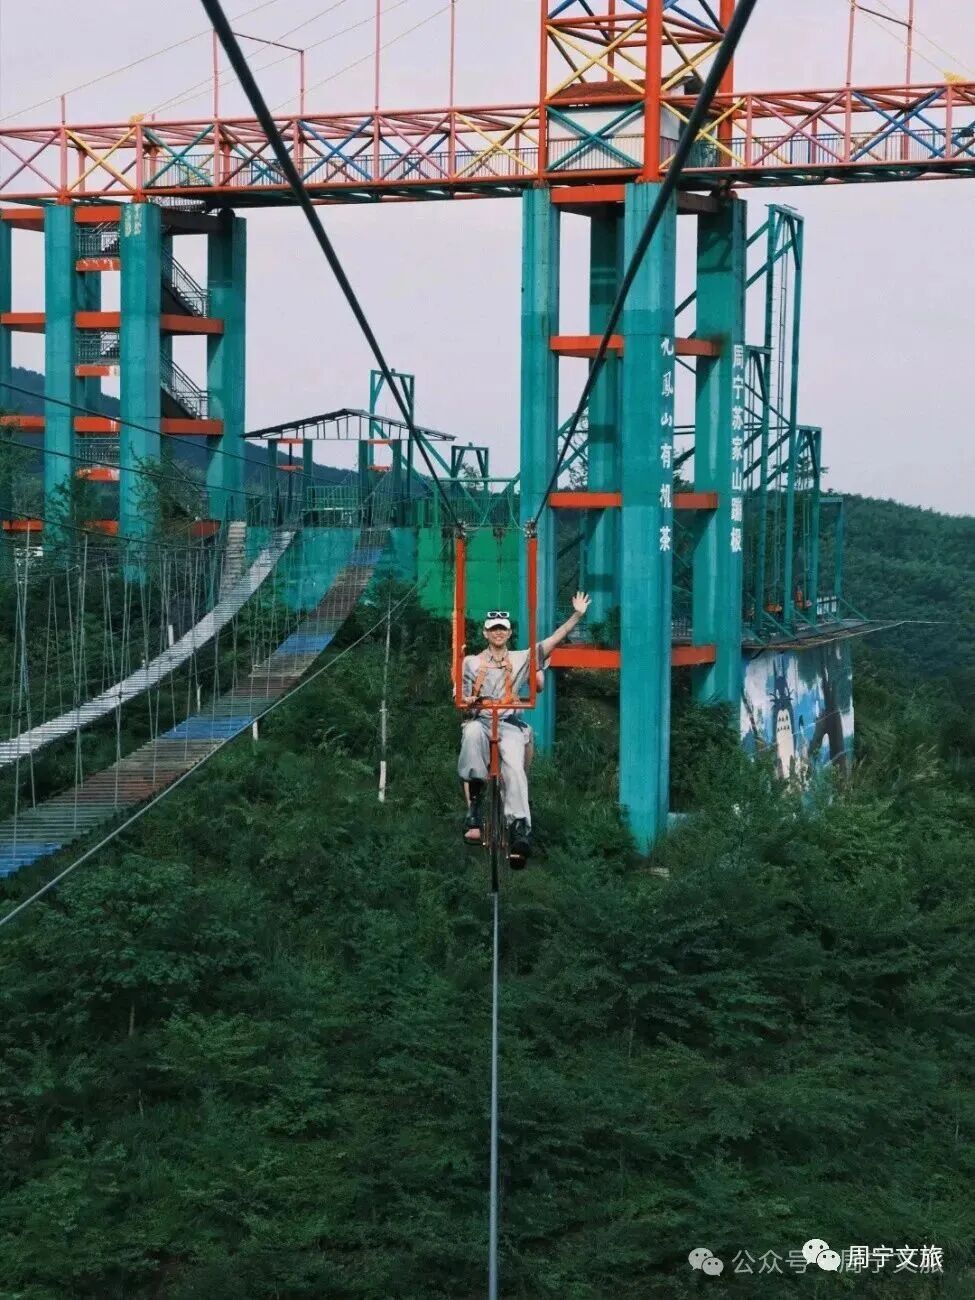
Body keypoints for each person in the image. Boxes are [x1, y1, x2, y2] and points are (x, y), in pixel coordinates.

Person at [457, 592, 591, 859]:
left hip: (507, 723)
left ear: (508, 633)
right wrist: (468, 701)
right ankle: (475, 806)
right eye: (493, 629)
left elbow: (552, 642)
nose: (498, 633)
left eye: (502, 629)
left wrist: (576, 616)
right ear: (485, 633)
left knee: (515, 767)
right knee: (470, 734)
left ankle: (519, 827)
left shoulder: (521, 659)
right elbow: (461, 697)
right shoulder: (471, 662)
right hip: (482, 720)